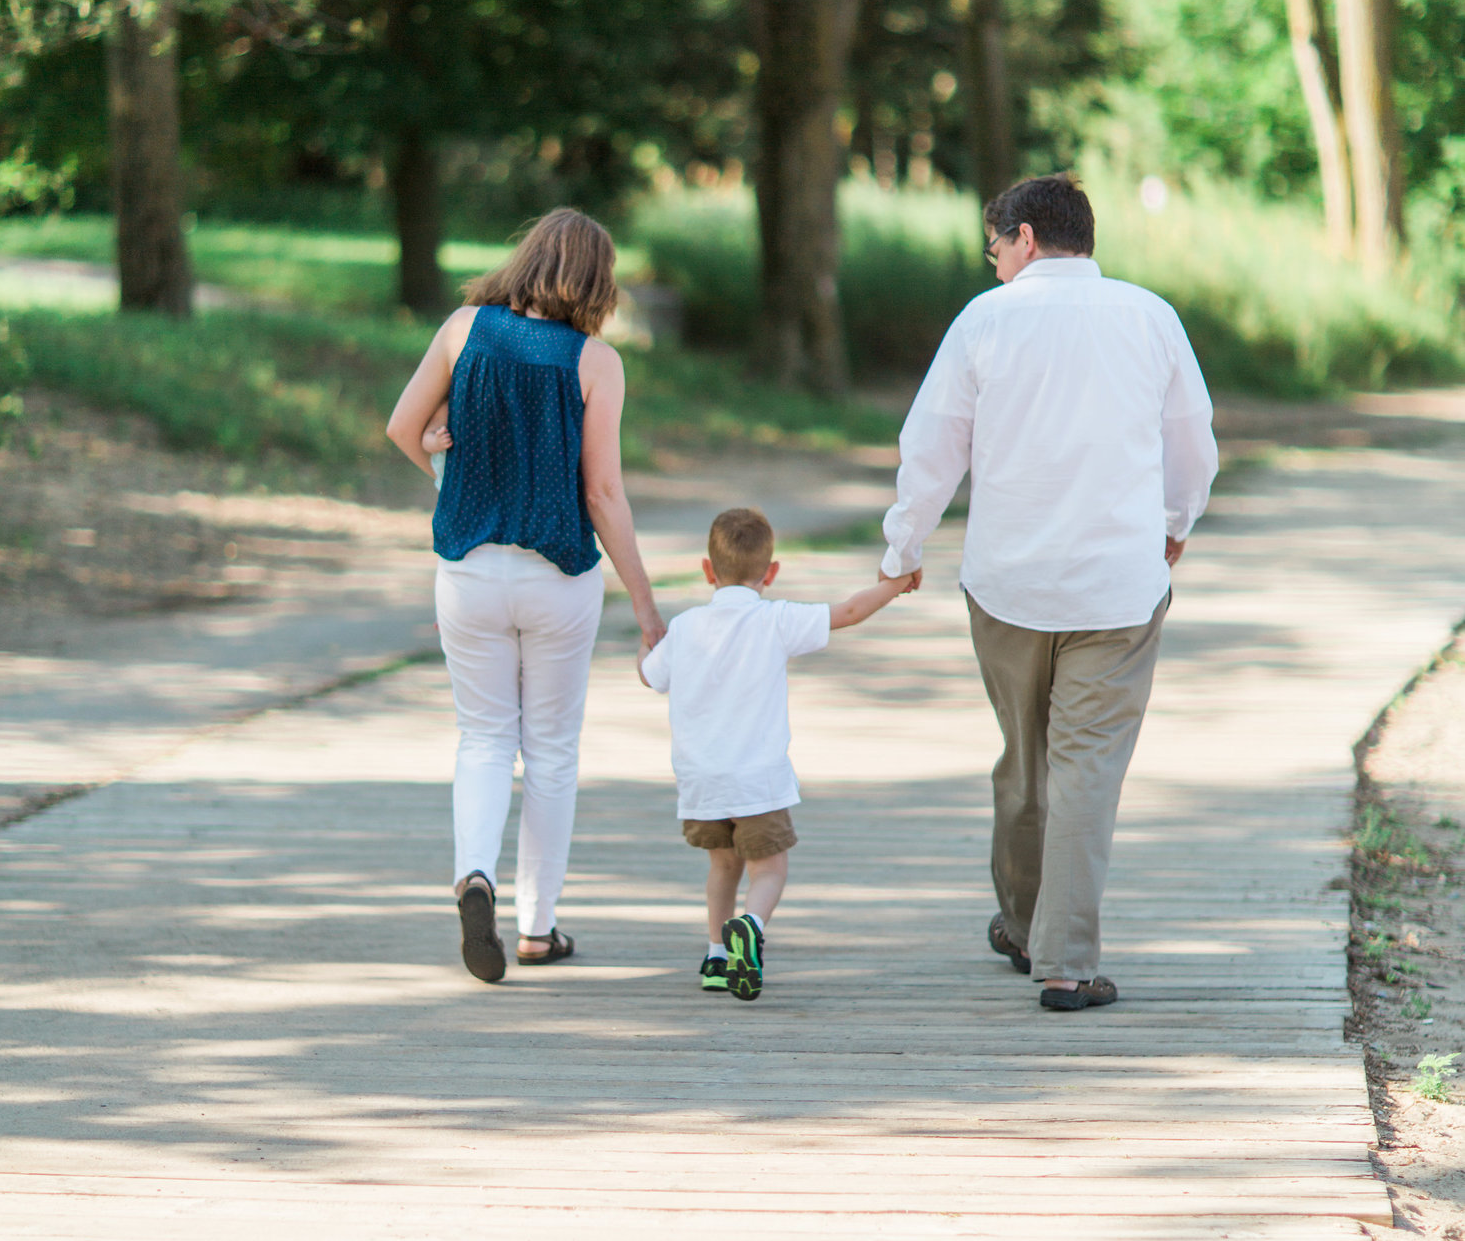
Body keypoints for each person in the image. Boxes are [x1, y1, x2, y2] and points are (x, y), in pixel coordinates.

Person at [880, 174, 1218, 1012]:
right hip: (1119, 586)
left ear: (1025, 236)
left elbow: (931, 446)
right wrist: (1177, 522)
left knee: (1025, 759)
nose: (994, 263)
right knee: (1085, 772)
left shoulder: (983, 322)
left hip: (1007, 585)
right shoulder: (1150, 317)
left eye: (995, 247)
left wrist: (903, 546)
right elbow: (1192, 442)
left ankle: (1028, 925)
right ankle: (1060, 959)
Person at [387, 208, 665, 982]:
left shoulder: (463, 327)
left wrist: (454, 481)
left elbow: (402, 428)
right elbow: (603, 494)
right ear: (597, 283)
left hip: (469, 572)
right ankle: (538, 927)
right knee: (549, 753)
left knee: (481, 738)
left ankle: (474, 873)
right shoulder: (595, 362)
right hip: (556, 579)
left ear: (529, 258)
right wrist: (645, 605)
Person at [640, 506, 916, 1001]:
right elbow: (849, 612)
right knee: (769, 869)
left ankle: (715, 957)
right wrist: (893, 585)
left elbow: (651, 676)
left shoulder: (684, 628)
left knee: (722, 867)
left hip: (701, 781)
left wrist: (646, 649)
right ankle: (750, 925)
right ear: (771, 573)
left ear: (708, 571)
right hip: (757, 781)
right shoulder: (776, 619)